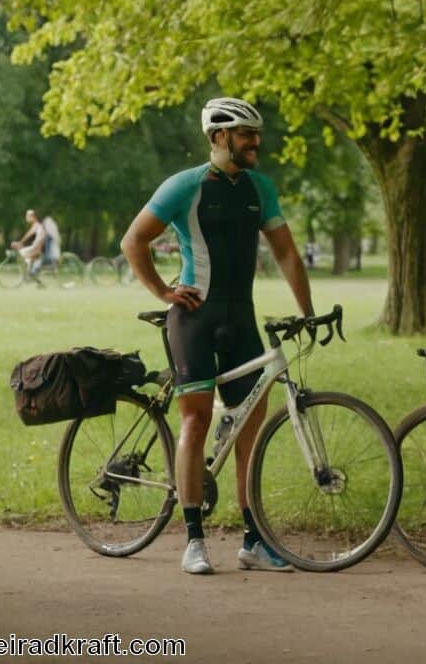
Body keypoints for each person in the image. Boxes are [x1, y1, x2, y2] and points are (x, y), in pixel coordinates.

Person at [121, 97, 315, 576]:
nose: (255, 143)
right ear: (219, 136)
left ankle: (253, 540)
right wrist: (165, 290)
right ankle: (193, 540)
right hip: (194, 318)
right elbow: (134, 241)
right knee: (196, 420)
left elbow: (288, 253)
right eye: (246, 134)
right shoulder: (185, 186)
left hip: (241, 318)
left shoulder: (260, 188)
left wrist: (306, 312)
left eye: (256, 134)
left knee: (249, 426)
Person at [11, 209, 58, 284]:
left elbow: (28, 235)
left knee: (21, 254)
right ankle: (34, 279)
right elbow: (30, 236)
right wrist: (21, 243)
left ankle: (26, 276)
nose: (26, 218)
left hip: (36, 247)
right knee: (30, 261)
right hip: (36, 247)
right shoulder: (37, 225)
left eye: (28, 216)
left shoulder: (37, 225)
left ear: (33, 217)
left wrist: (19, 243)